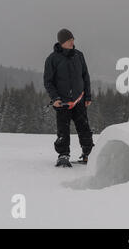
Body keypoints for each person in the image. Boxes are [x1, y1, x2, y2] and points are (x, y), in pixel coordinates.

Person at [43, 28, 94, 167]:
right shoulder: (52, 59)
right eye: (69, 40)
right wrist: (55, 98)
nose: (72, 42)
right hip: (62, 102)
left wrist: (88, 96)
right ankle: (63, 155)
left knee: (84, 128)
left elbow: (85, 77)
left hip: (80, 99)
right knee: (63, 130)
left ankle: (88, 154)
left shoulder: (79, 55)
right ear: (62, 42)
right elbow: (48, 81)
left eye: (72, 39)